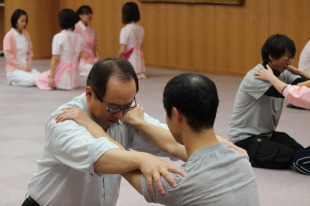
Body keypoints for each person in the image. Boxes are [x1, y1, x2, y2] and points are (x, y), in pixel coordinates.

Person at [22, 57, 187, 206]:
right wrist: (143, 159)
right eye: (112, 108)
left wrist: (138, 121)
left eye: (128, 105)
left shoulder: (126, 113)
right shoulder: (64, 119)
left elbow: (177, 141)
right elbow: (100, 158)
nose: (120, 115)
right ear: (89, 94)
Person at [120, 73, 260, 205]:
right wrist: (139, 123)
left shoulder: (181, 183)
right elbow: (173, 146)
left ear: (176, 115)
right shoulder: (240, 158)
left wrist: (101, 129)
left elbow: (118, 162)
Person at [228, 34, 310, 173]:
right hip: (245, 138)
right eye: (287, 57)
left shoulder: (282, 72)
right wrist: (272, 77)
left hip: (266, 134)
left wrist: (297, 71)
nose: (289, 62)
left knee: (299, 152)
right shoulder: (256, 75)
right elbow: (284, 91)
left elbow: (300, 86)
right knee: (289, 158)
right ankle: (242, 156)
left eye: (291, 58)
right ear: (271, 56)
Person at [35, 9, 83, 90]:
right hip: (75, 76)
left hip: (62, 78)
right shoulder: (79, 38)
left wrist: (51, 77)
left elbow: (55, 59)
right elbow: (78, 58)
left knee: (39, 78)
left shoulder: (59, 37)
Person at [3, 9, 40, 86]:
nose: (24, 23)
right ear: (15, 21)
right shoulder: (9, 36)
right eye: (22, 21)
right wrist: (22, 67)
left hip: (26, 68)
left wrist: (29, 65)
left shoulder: (26, 34)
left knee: (41, 77)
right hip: (14, 70)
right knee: (33, 80)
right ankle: (12, 80)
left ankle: (17, 80)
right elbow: (9, 57)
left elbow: (30, 51)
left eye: (25, 21)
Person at [117, 2, 146, 79]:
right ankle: (140, 72)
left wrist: (116, 60)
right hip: (139, 59)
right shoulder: (141, 29)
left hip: (130, 59)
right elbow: (141, 46)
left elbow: (122, 50)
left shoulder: (125, 30)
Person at [74, 5, 100, 77]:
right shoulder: (76, 28)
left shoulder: (92, 29)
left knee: (102, 68)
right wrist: (88, 60)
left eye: (90, 13)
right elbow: (76, 49)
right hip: (82, 60)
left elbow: (96, 46)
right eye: (87, 13)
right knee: (93, 70)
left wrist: (98, 58)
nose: (89, 15)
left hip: (92, 59)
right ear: (80, 16)